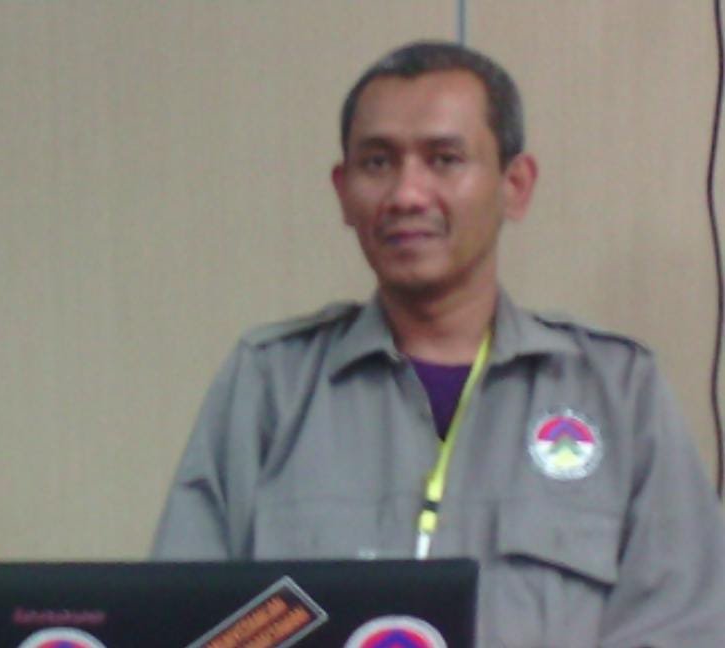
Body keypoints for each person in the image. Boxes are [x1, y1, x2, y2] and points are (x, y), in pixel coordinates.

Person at [152, 41, 725, 646]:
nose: (407, 193)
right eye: (378, 162)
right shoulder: (269, 385)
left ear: (515, 185)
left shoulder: (617, 391)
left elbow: (686, 627)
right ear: (343, 191)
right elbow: (179, 622)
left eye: (444, 159)